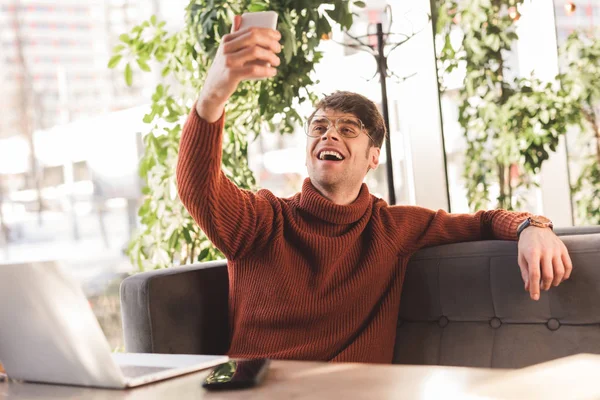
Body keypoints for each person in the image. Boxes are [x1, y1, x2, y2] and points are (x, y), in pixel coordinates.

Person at [176, 16, 572, 364]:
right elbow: (198, 185)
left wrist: (533, 225)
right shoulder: (262, 220)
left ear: (372, 157)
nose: (329, 133)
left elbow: (483, 222)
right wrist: (213, 95)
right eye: (319, 127)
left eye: (347, 129)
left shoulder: (394, 229)